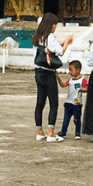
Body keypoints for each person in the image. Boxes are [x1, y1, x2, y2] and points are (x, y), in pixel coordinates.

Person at [32, 13, 74, 142]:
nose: (55, 27)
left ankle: (39, 131)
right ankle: (51, 133)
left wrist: (60, 44)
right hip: (49, 73)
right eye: (55, 24)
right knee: (53, 103)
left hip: (38, 72)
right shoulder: (50, 37)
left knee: (40, 103)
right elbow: (60, 52)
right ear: (51, 24)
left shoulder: (37, 37)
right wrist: (67, 41)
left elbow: (50, 50)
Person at [57, 60, 87, 140]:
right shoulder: (70, 80)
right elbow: (63, 85)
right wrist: (58, 78)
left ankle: (77, 133)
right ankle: (63, 131)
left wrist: (81, 90)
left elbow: (87, 88)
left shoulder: (82, 80)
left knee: (77, 119)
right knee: (65, 119)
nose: (70, 72)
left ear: (78, 70)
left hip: (77, 103)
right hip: (68, 102)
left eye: (71, 70)